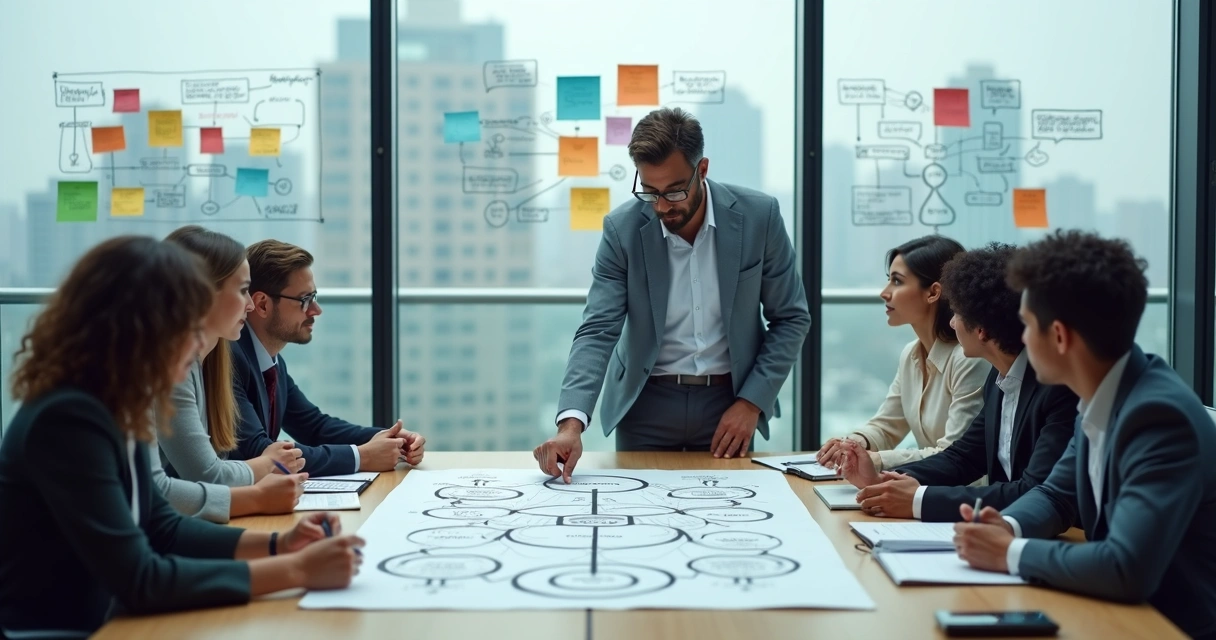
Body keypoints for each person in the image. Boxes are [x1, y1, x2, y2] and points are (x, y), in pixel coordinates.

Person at [0, 236, 363, 637]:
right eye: (188, 329)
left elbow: (162, 524)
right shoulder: (70, 418)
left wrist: (281, 544)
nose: (197, 350)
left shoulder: (119, 402)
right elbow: (141, 579)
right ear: (138, 328)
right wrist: (295, 570)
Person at [952, 230, 1216, 640]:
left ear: (1059, 336)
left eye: (1026, 325)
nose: (1020, 339)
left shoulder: (1159, 417)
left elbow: (1125, 568)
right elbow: (1056, 495)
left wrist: (1009, 552)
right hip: (1110, 614)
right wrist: (1007, 526)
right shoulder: (1103, 392)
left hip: (1164, 626)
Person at [533, 107, 811, 480]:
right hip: (645, 405)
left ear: (703, 170)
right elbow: (598, 330)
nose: (662, 206)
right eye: (649, 191)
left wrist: (751, 403)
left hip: (729, 405)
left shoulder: (759, 216)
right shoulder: (623, 230)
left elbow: (791, 317)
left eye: (675, 191)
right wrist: (571, 425)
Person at [836, 243, 1077, 521]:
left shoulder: (1056, 390)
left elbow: (1033, 491)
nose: (952, 323)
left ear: (982, 330)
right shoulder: (1000, 379)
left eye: (958, 315)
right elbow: (963, 457)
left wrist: (918, 500)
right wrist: (884, 477)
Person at [229, 239, 426, 477]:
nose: (316, 310)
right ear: (262, 305)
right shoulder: (232, 360)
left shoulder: (270, 360)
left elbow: (315, 427)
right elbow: (258, 452)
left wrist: (389, 438)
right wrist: (362, 456)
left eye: (314, 297)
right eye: (305, 300)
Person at [154, 225, 308, 522]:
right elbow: (209, 476)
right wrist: (266, 465)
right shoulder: (167, 369)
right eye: (241, 291)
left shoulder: (206, 363)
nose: (250, 305)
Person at [818, 236, 988, 472]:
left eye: (897, 282)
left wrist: (875, 461)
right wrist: (852, 444)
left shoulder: (968, 359)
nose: (884, 293)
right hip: (922, 488)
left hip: (961, 500)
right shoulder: (911, 354)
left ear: (933, 292)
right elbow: (887, 426)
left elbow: (954, 453)